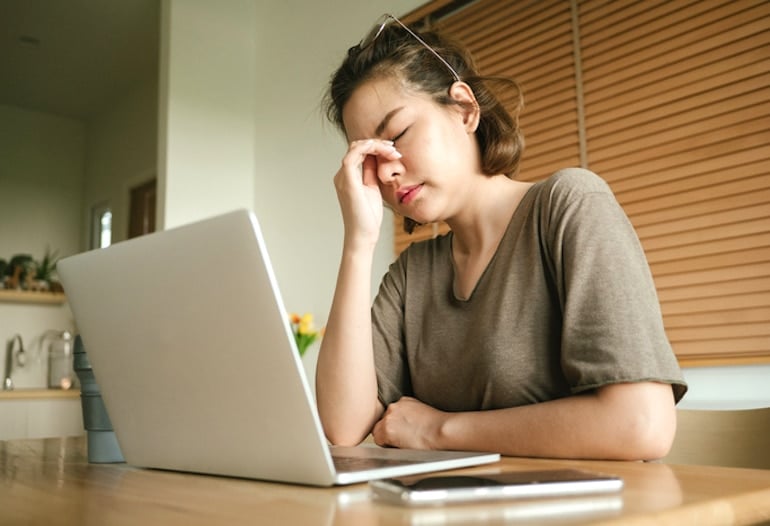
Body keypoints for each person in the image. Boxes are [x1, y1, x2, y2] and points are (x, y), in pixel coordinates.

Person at [316, 13, 687, 460]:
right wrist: (358, 241)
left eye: (397, 135)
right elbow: (342, 427)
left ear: (465, 109)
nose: (388, 169)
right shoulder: (413, 273)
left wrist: (439, 430)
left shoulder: (568, 204)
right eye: (370, 158)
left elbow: (640, 425)